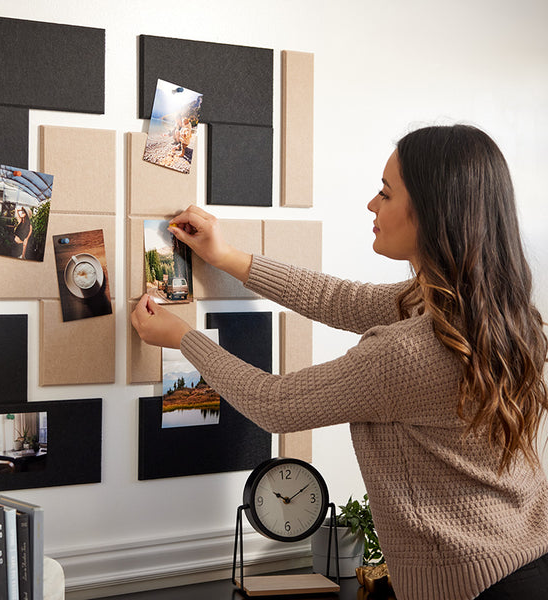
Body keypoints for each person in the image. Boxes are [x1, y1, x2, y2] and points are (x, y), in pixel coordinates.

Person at [131, 124, 548, 600]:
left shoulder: (409, 352)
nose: (372, 204)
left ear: (431, 215)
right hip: (526, 558)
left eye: (386, 194)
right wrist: (226, 256)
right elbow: (340, 299)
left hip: (472, 587)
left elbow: (278, 403)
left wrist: (183, 337)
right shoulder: (499, 314)